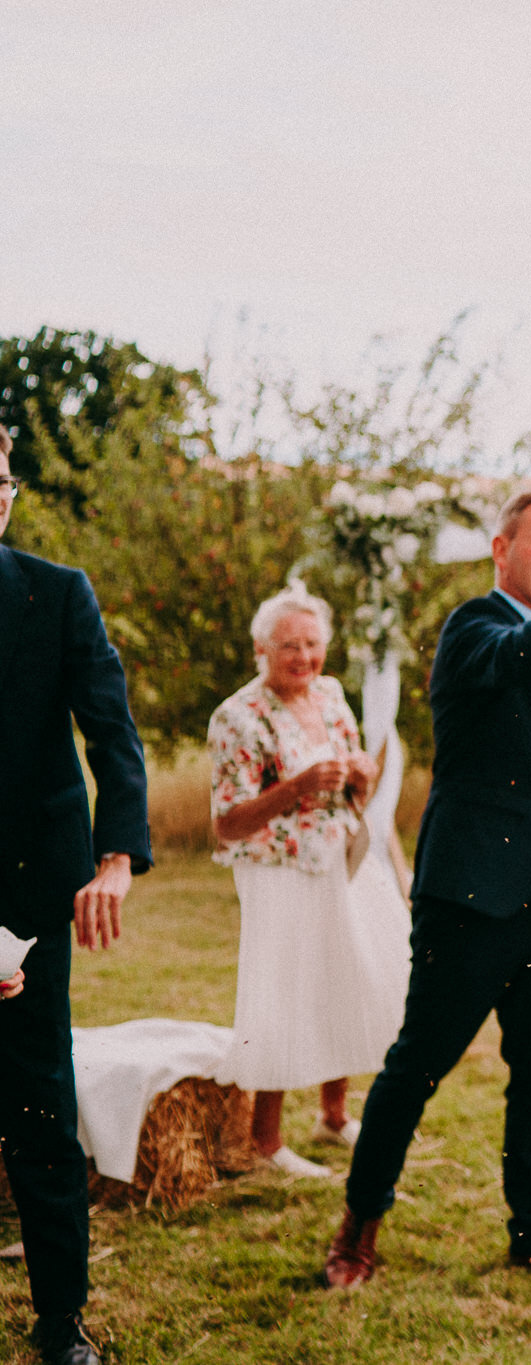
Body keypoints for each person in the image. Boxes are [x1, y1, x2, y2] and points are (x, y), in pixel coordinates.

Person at [321, 489, 531, 1291]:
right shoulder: (474, 630)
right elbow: (520, 654)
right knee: (416, 1067)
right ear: (501, 549)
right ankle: (357, 1229)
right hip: (469, 898)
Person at [0, 429, 151, 1365]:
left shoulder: (55, 593)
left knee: (40, 1105)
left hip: (26, 894)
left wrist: (117, 858)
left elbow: (113, 731)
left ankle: (61, 1321)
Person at [207, 585, 411, 1178]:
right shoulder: (237, 716)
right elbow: (227, 823)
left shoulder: (330, 694)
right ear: (261, 649)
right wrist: (296, 786)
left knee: (347, 973)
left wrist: (362, 775)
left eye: (313, 645)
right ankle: (266, 1141)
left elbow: (354, 786)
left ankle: (333, 1113)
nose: (303, 657)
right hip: (277, 870)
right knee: (285, 993)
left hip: (339, 860)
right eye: (289, 646)